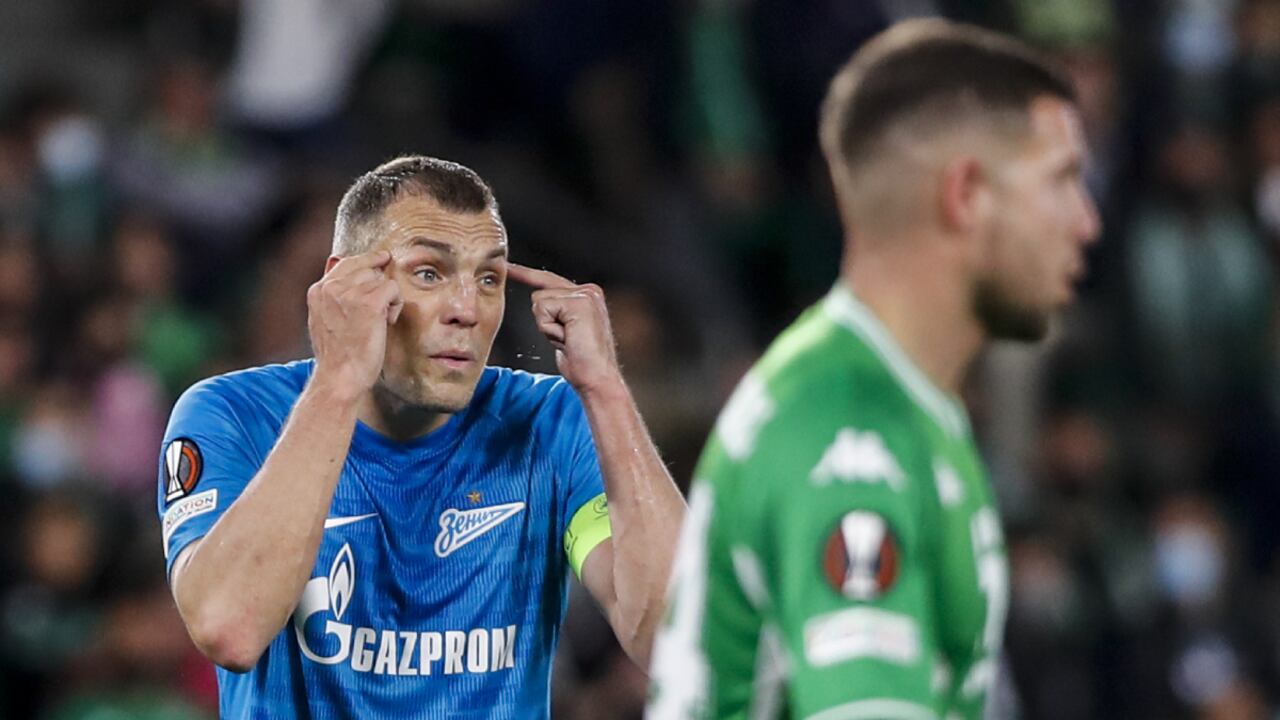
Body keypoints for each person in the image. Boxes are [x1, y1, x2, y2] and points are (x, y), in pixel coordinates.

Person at [646, 19, 1100, 720]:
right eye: (1062, 180)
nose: (1086, 220)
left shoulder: (904, 405)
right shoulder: (848, 426)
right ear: (967, 196)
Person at [156, 156, 686, 718]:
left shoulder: (549, 423)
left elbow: (678, 643)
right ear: (343, 283)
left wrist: (606, 390)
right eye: (430, 272)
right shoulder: (233, 415)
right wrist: (338, 379)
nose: (466, 310)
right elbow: (230, 629)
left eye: (488, 279)